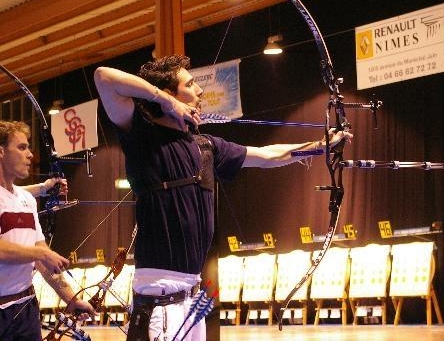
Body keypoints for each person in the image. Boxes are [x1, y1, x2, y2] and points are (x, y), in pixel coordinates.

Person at [94, 54, 352, 341]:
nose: (200, 91)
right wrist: (169, 103)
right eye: (190, 84)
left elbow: (268, 155)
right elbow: (103, 77)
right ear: (169, 95)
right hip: (159, 297)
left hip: (192, 298)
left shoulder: (206, 146)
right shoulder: (142, 135)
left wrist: (320, 146)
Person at [0, 121, 97, 341]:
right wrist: (40, 254)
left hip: (25, 310)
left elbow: (44, 259)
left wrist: (71, 299)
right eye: (22, 147)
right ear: (2, 152)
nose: (30, 155)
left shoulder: (26, 199)